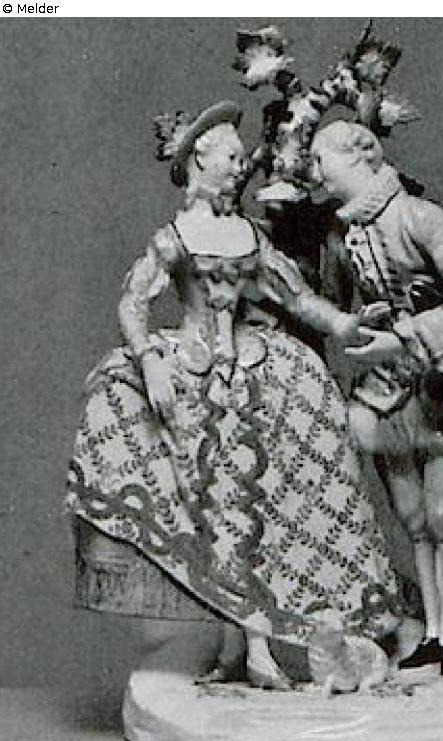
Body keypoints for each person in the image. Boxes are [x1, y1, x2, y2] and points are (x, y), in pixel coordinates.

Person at [66, 102, 417, 690]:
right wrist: (149, 359)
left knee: (284, 480)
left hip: (255, 367)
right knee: (213, 502)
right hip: (192, 369)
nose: (241, 166)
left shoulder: (249, 235)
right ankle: (248, 646)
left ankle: (267, 641)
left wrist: (346, 325)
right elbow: (133, 302)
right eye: (231, 157)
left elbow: (295, 297)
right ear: (199, 160)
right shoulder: (176, 237)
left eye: (240, 158)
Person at [310, 120, 443, 677]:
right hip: (388, 395)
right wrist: (360, 326)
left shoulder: (421, 218)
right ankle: (432, 634)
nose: (316, 172)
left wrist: (402, 337)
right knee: (414, 519)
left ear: (359, 157)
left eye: (322, 159)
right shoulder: (343, 235)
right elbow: (337, 309)